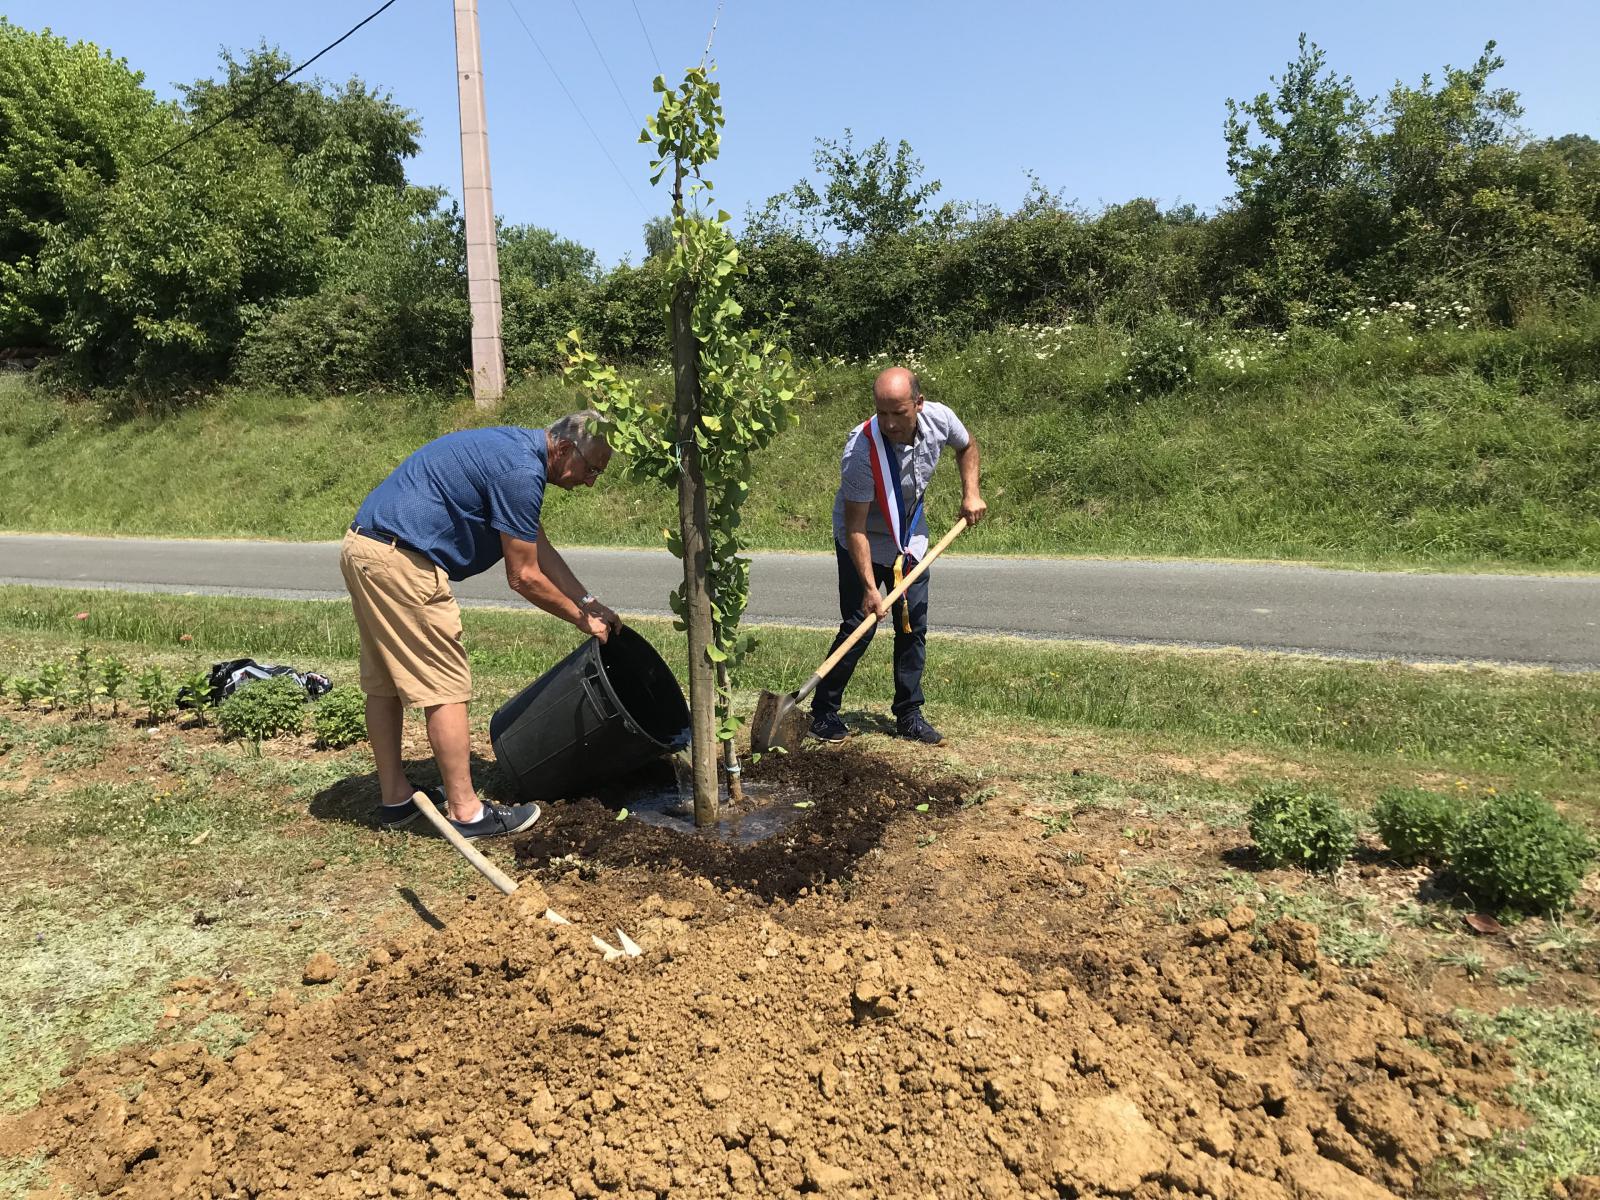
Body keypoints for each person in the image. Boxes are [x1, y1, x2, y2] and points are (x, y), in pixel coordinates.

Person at [341, 410, 622, 838]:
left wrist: (589, 601)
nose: (591, 481)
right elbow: (523, 576)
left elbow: (537, 546)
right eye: (591, 468)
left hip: (368, 548)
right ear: (564, 449)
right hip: (403, 562)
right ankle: (467, 813)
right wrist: (583, 621)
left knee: (385, 682)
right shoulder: (520, 472)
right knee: (447, 685)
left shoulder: (516, 450)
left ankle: (396, 797)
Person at [811, 367, 986, 746]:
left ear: (919, 404)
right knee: (861, 623)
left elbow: (967, 446)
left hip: (910, 539)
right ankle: (823, 712)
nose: (889, 423)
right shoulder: (860, 451)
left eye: (899, 413)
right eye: (882, 412)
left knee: (912, 625)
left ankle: (908, 714)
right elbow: (856, 527)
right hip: (865, 540)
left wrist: (970, 492)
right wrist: (871, 588)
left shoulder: (940, 419)